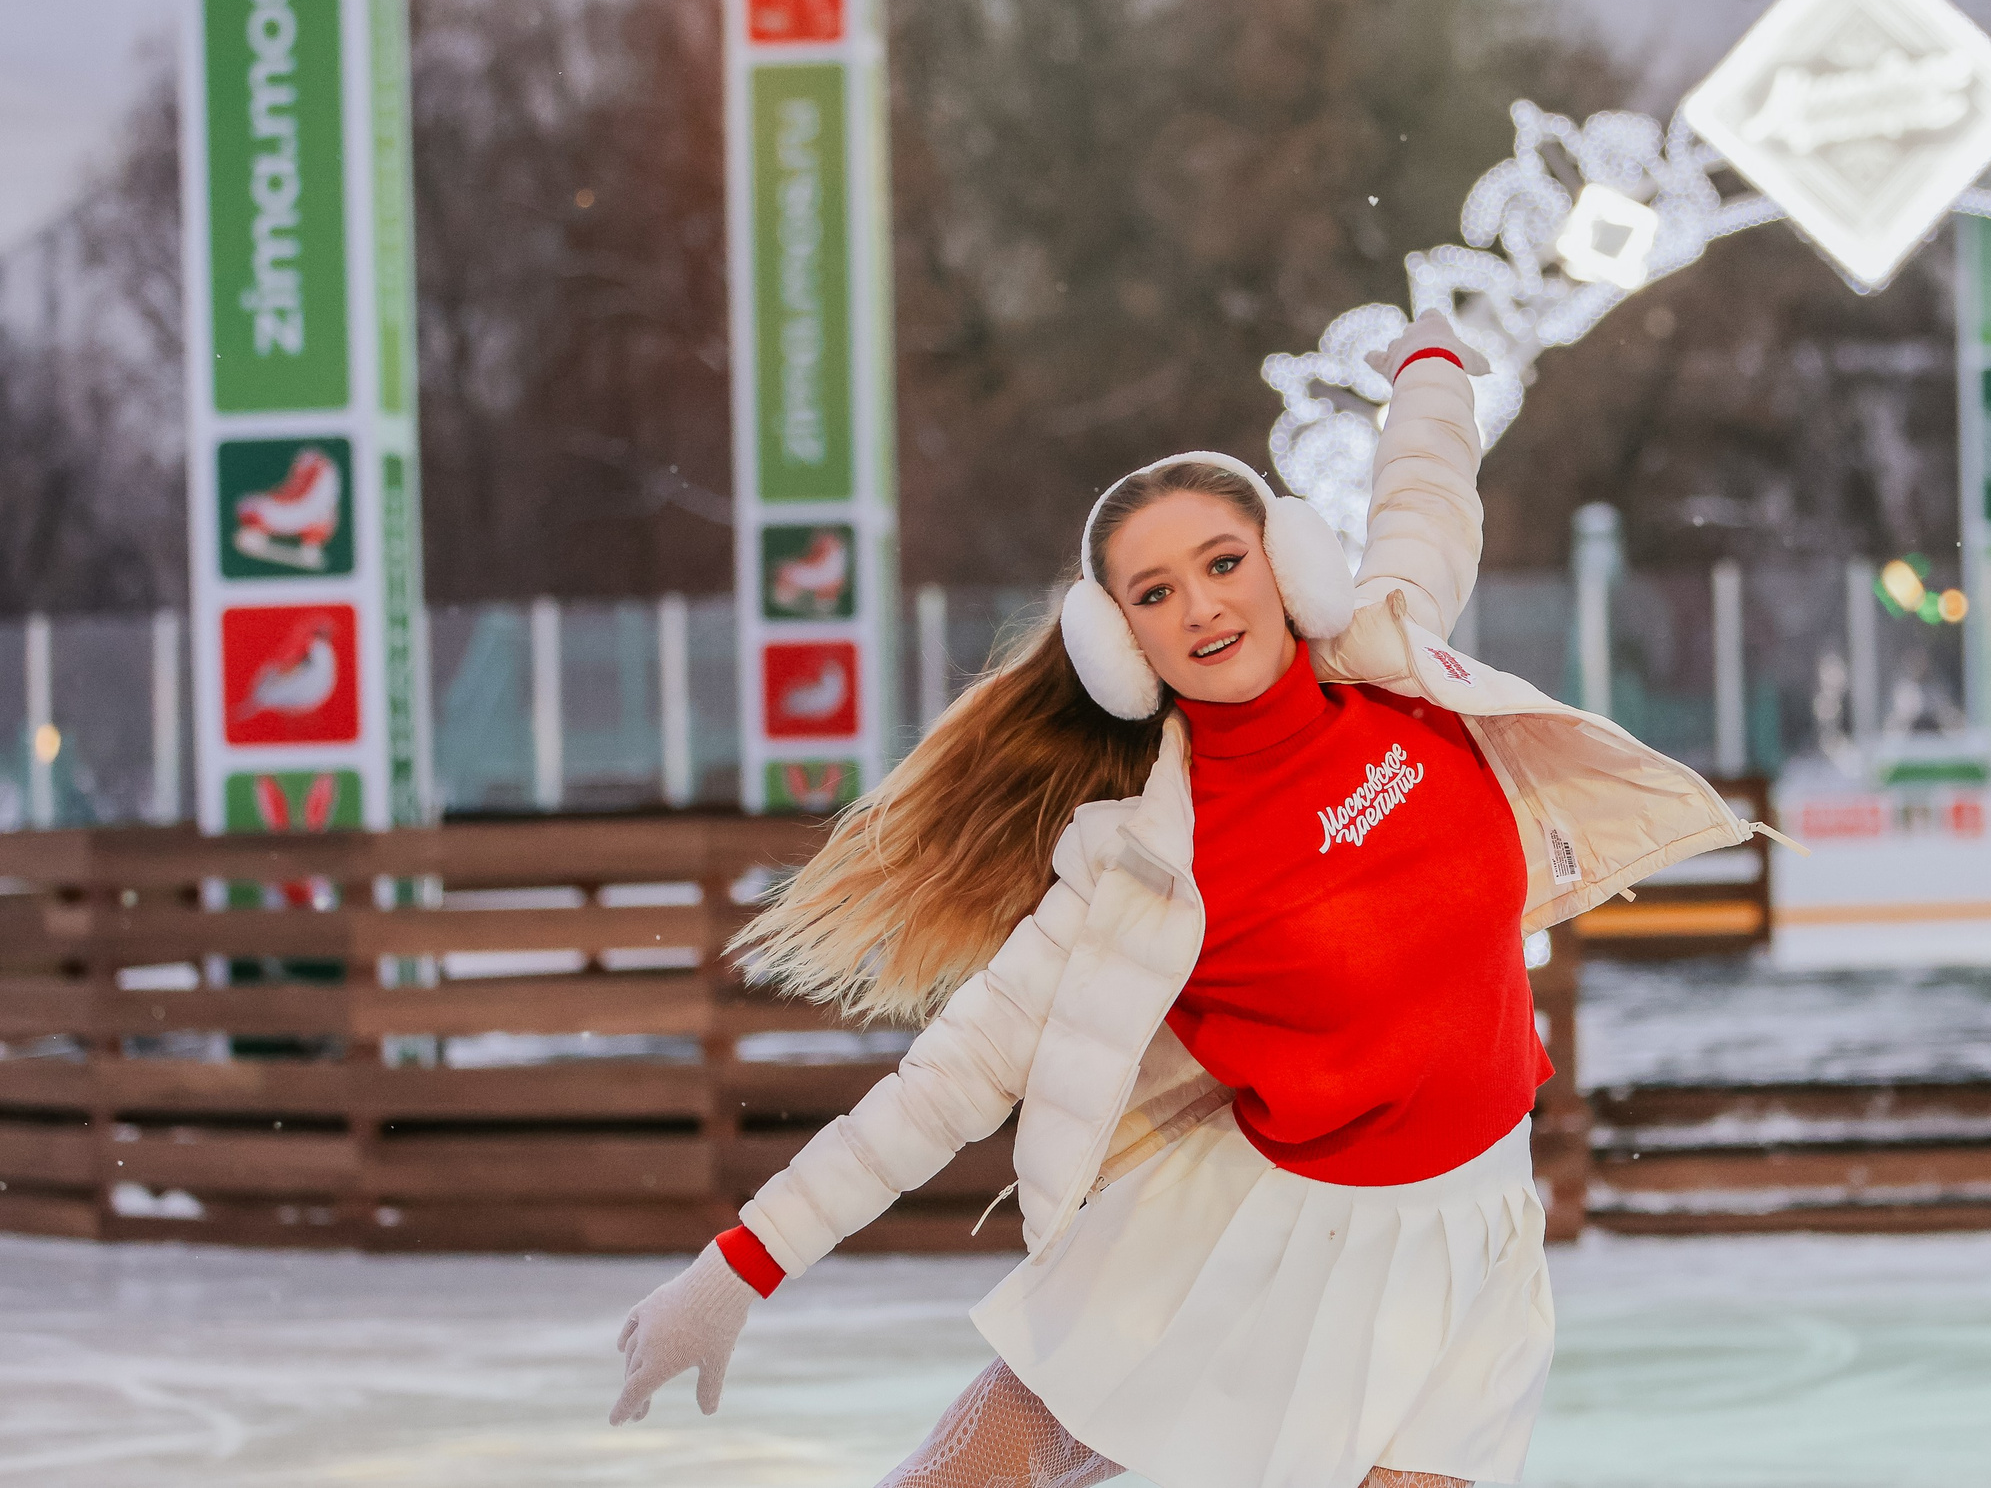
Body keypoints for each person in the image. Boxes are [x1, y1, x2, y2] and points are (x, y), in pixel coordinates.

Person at [610, 310, 1764, 1488]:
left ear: (1289, 562)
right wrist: (731, 1274)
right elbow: (938, 1090)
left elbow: (1429, 496)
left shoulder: (1399, 671)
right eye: (1154, 594)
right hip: (1240, 1246)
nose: (1204, 607)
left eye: (1222, 562)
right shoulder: (1145, 871)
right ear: (1119, 643)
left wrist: (1427, 366)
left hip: (1473, 1237)